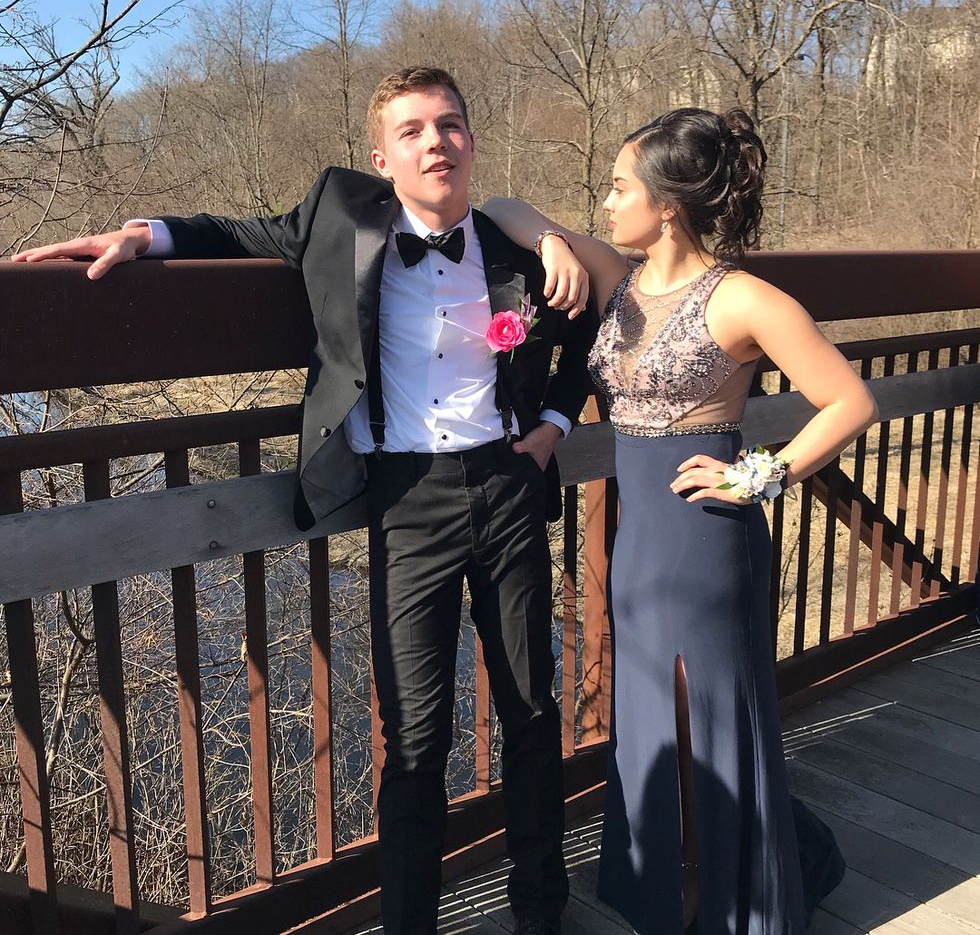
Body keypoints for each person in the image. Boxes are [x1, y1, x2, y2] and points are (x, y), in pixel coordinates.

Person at [13, 66, 598, 935]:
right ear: (381, 159)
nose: (435, 142)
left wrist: (554, 419)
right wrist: (140, 236)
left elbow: (588, 327)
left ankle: (541, 911)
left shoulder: (518, 245)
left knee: (533, 710)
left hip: (509, 485)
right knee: (416, 737)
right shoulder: (338, 215)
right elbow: (230, 231)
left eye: (449, 125)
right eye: (412, 131)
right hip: (406, 501)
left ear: (472, 140)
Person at [483, 107, 875, 934]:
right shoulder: (615, 278)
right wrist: (551, 243)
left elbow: (850, 401)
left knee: (707, 721)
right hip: (639, 545)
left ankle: (729, 898)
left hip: (706, 538)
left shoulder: (743, 298)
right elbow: (502, 207)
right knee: (652, 721)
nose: (605, 200)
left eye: (619, 186)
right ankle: (674, 892)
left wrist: (759, 476)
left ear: (666, 206)